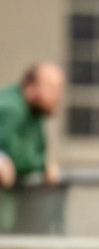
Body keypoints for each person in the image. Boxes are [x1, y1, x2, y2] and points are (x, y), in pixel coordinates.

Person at [0, 62, 64, 193]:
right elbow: (14, 157)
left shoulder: (34, 113)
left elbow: (38, 151)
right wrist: (42, 165)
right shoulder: (12, 108)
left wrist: (43, 164)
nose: (57, 96)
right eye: (51, 87)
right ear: (31, 86)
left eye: (59, 89)